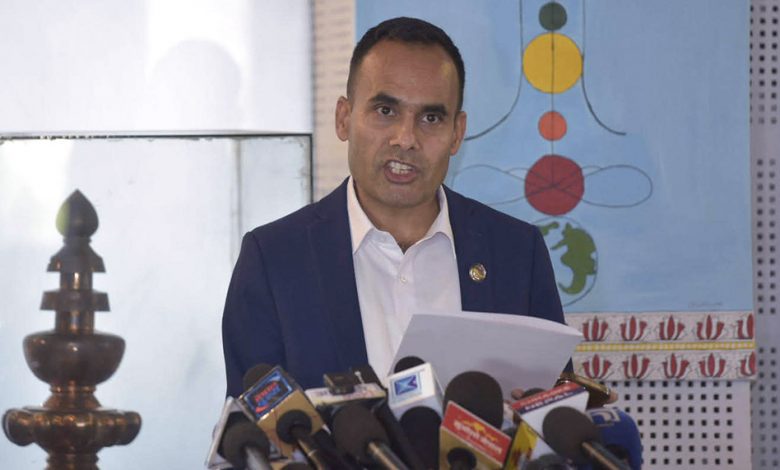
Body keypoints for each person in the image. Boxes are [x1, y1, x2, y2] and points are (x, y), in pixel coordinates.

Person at [221, 17, 565, 396]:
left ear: (457, 133)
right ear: (344, 118)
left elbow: (553, 407)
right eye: (386, 111)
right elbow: (251, 425)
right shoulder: (274, 261)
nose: (406, 139)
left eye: (431, 118)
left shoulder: (517, 254)